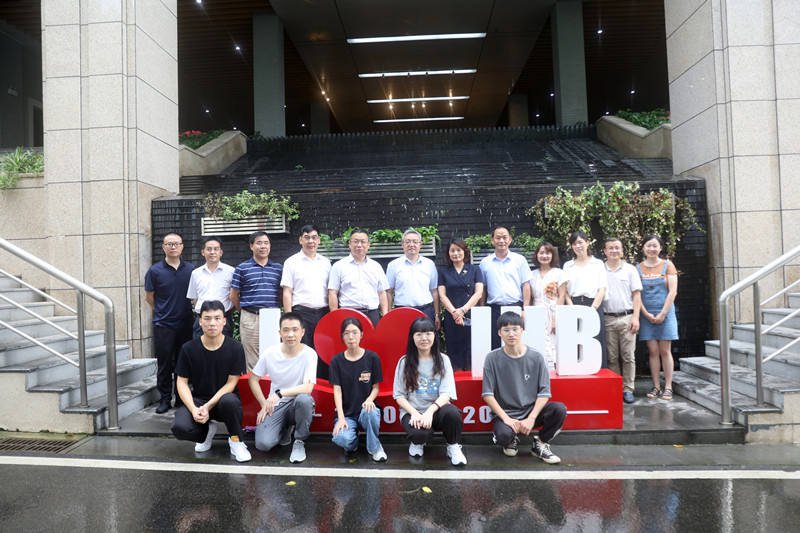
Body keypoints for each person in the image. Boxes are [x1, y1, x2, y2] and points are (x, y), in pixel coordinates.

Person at [170, 300, 251, 462]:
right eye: (207, 318)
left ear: (224, 321)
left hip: (224, 401)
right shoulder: (188, 348)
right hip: (199, 401)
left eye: (217, 318)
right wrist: (194, 409)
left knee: (229, 401)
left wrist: (208, 406)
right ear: (200, 321)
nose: (212, 323)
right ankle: (206, 432)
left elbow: (231, 383)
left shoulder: (235, 348)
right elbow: (181, 382)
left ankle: (236, 441)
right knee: (180, 427)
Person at [482, 311, 566, 464]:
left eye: (515, 329)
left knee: (559, 409)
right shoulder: (492, 358)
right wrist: (507, 419)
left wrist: (531, 418)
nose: (511, 334)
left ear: (522, 330)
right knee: (503, 436)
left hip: (531, 411)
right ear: (499, 333)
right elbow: (487, 394)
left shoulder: (536, 357)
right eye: (506, 330)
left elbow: (545, 393)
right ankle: (510, 440)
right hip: (506, 413)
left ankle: (540, 444)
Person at [393, 317, 467, 466]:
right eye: (419, 334)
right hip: (413, 412)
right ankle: (418, 442)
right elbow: (399, 395)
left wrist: (429, 412)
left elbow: (447, 393)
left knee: (452, 413)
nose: (424, 338)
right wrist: (415, 413)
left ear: (434, 335)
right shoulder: (404, 362)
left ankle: (453, 446)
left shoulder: (443, 360)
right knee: (419, 435)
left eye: (428, 333)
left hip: (436, 411)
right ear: (412, 337)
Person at [248, 312, 317, 463]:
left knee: (304, 400)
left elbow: (308, 388)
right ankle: (285, 430)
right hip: (276, 406)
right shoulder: (270, 353)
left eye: (295, 330)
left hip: (297, 403)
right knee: (263, 444)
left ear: (302, 332)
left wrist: (279, 394)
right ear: (280, 333)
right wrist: (263, 404)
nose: (290, 334)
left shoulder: (309, 354)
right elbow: (253, 379)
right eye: (286, 330)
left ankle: (299, 441)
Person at [145, 232, 195, 414]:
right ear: (163, 247)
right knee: (164, 363)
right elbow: (149, 297)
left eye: (176, 244)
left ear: (182, 247)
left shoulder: (191, 270)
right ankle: (165, 399)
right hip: (163, 324)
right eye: (169, 244)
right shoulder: (154, 271)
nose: (173, 247)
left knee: (183, 363)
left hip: (185, 323)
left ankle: (181, 398)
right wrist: (162, 311)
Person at [329, 317, 387, 461]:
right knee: (341, 438)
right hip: (347, 414)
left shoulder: (372, 357)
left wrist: (369, 399)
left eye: (355, 332)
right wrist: (341, 418)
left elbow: (375, 388)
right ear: (342, 336)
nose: (351, 337)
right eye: (347, 333)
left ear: (361, 334)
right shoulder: (336, 361)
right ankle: (352, 442)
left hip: (366, 411)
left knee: (370, 411)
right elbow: (337, 391)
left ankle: (375, 448)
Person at [281, 224, 332, 379]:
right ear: (300, 240)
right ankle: (302, 386)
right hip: (301, 313)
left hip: (324, 313)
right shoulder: (291, 262)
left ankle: (322, 386)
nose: (311, 241)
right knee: (301, 350)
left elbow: (331, 291)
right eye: (307, 237)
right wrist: (289, 317)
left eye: (314, 237)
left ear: (319, 240)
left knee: (324, 351)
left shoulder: (326, 262)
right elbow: (287, 291)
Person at [230, 231, 282, 371]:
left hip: (272, 317)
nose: (263, 246)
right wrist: (245, 311)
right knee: (251, 359)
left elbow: (281, 293)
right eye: (259, 243)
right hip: (250, 317)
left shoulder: (278, 269)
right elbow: (233, 295)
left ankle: (271, 386)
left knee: (272, 357)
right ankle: (253, 386)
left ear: (270, 246)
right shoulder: (242, 268)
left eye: (266, 243)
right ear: (251, 246)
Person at [637, 235, 679, 401]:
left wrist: (662, 313)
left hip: (665, 313)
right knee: (653, 351)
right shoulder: (637, 268)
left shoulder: (668, 265)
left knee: (665, 350)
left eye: (655, 246)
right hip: (646, 314)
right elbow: (636, 294)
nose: (651, 249)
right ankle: (656, 386)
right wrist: (645, 313)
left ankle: (668, 386)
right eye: (648, 246)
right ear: (643, 248)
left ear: (660, 248)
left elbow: (673, 291)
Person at [479, 226, 533, 349]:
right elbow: (483, 288)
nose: (501, 241)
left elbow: (526, 285)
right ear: (492, 240)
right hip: (494, 309)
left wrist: (525, 309)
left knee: (516, 342)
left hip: (516, 307)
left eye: (505, 237)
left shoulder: (520, 260)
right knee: (495, 343)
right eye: (498, 238)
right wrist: (482, 309)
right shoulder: (485, 263)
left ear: (510, 239)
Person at [604, 238, 643, 404]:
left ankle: (628, 389)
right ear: (605, 251)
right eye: (610, 248)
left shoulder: (630, 270)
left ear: (622, 251)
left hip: (627, 317)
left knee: (628, 356)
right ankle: (616, 388)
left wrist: (636, 317)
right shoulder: (600, 270)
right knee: (611, 357)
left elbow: (636, 294)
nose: (614, 251)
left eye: (617, 248)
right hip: (607, 318)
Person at [563, 230, 608, 367]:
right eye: (574, 244)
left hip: (593, 305)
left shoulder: (598, 264)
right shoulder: (567, 266)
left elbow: (602, 288)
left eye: (580, 242)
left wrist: (593, 309)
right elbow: (565, 291)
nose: (578, 246)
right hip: (573, 305)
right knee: (575, 343)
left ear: (587, 243)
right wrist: (571, 307)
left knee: (595, 342)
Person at [437, 239, 484, 371]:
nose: (455, 253)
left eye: (459, 250)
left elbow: (479, 293)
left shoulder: (475, 269)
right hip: (451, 316)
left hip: (471, 315)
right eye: (452, 250)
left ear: (465, 252)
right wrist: (455, 312)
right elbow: (442, 295)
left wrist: (463, 310)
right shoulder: (443, 272)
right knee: (454, 349)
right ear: (448, 253)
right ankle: (457, 379)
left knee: (471, 349)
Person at [328, 229, 390, 327]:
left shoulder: (376, 266)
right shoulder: (338, 266)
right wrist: (335, 316)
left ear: (368, 244)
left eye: (363, 242)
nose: (359, 245)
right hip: (348, 315)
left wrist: (385, 316)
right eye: (356, 241)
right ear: (350, 244)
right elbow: (332, 292)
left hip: (372, 314)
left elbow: (382, 293)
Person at [386, 228, 440, 326]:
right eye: (408, 242)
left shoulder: (429, 264)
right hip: (402, 312)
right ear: (402, 245)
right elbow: (388, 292)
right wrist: (389, 314)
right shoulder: (393, 265)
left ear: (420, 245)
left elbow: (434, 291)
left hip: (425, 311)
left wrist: (437, 315)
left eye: (415, 242)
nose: (411, 245)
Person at [186, 236, 234, 338]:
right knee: (199, 347)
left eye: (216, 249)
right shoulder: (196, 273)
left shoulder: (231, 272)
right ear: (203, 252)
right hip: (202, 320)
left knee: (224, 347)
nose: (212, 252)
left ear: (221, 252)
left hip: (223, 320)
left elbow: (234, 296)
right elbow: (194, 298)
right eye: (209, 249)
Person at [529, 241, 566, 369]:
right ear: (537, 255)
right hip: (536, 313)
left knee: (554, 344)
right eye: (541, 253)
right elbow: (530, 297)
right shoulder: (531, 274)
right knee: (538, 344)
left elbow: (562, 296)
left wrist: (556, 318)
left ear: (552, 255)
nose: (544, 256)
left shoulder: (559, 273)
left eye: (548, 253)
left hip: (553, 311)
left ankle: (554, 372)